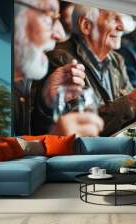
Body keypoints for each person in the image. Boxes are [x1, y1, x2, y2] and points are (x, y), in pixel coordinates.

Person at [32, 5, 136, 136]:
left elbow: (132, 111)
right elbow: (82, 128)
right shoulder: (62, 59)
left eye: (122, 19)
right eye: (114, 19)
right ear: (86, 25)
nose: (122, 27)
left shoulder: (116, 59)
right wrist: (132, 102)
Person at [14, 0, 103, 137]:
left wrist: (46, 104)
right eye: (50, 17)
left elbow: (22, 141)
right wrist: (56, 141)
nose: (60, 34)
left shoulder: (22, 82)